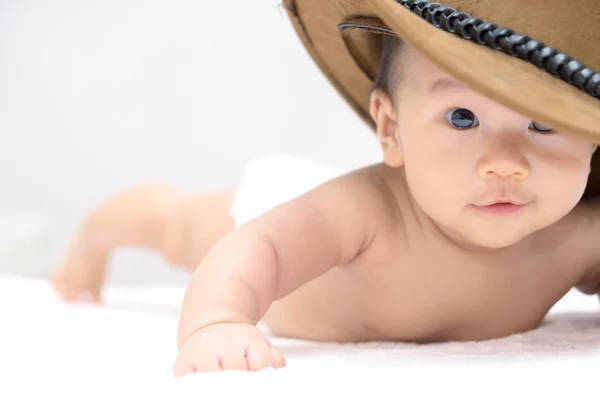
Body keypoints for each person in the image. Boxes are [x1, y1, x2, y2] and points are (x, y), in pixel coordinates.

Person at [51, 0, 600, 376]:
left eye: (543, 123)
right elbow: (257, 249)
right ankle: (110, 224)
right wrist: (217, 322)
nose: (504, 164)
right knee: (179, 229)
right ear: (390, 128)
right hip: (271, 226)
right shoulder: (367, 211)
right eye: (461, 117)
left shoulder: (580, 236)